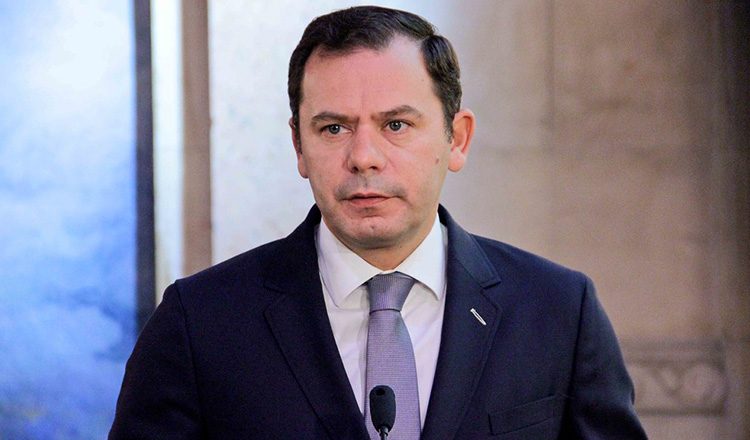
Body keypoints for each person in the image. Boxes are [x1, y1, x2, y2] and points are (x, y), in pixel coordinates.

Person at [110, 6, 646, 439]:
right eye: (334, 129)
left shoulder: (558, 310)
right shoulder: (200, 322)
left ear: (457, 139)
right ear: (298, 146)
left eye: (396, 125)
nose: (364, 157)